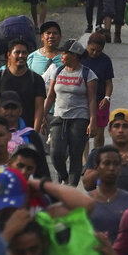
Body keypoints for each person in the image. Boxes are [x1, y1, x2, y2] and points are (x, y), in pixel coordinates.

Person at [42, 38, 98, 185]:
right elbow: (50, 97)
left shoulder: (88, 74)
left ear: (74, 55)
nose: (61, 56)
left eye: (65, 53)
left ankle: (71, 189)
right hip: (59, 117)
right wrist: (42, 116)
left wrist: (92, 122)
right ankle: (64, 177)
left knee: (75, 154)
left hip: (80, 119)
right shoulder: (58, 71)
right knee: (55, 153)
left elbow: (92, 100)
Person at [0, 37, 47, 136]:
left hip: (26, 132)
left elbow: (39, 108)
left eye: (24, 52)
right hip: (2, 133)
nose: (21, 56)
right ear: (9, 55)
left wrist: (34, 133)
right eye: (17, 52)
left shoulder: (36, 79)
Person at [82, 108, 128, 201]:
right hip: (106, 206)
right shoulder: (98, 154)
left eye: (125, 126)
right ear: (110, 131)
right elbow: (87, 185)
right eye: (116, 126)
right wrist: (106, 166)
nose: (120, 130)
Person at [88, 145, 128, 243]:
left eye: (116, 164)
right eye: (106, 163)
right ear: (97, 168)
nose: (111, 168)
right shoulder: (86, 201)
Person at [84, 31, 116, 148]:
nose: (94, 53)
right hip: (83, 100)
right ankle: (85, 162)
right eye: (92, 49)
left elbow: (109, 83)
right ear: (87, 44)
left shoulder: (105, 60)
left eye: (98, 51)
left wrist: (107, 97)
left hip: (100, 100)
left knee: (98, 133)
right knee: (83, 133)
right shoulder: (80, 57)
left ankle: (97, 155)